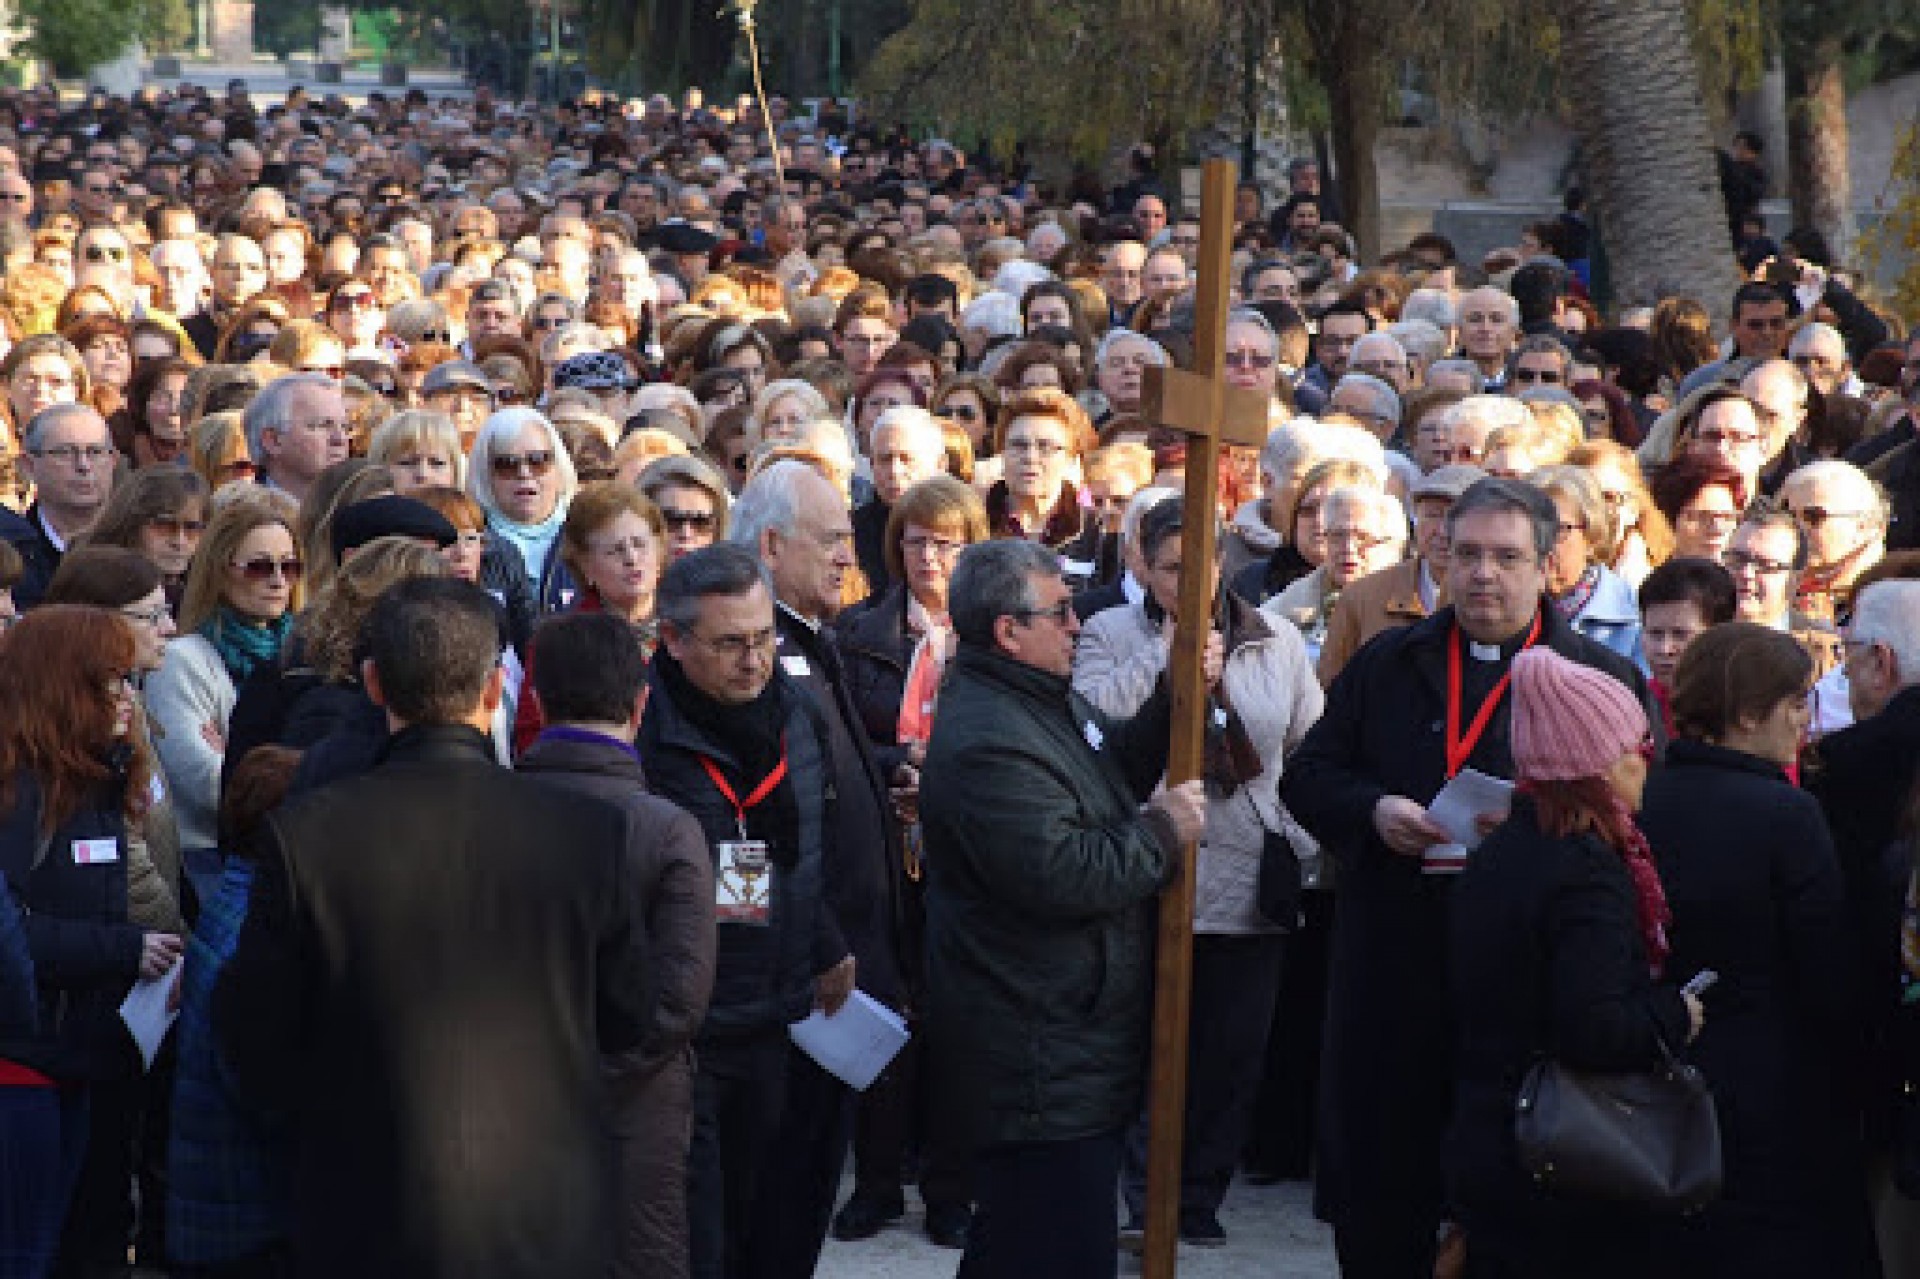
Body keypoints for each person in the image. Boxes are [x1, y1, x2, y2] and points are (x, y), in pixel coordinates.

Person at [212, 576, 654, 1278]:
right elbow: (630, 1017)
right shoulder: (587, 832)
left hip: (368, 1207)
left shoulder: (308, 837)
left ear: (373, 685)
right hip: (544, 1210)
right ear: (494, 690)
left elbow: (255, 1034)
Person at [1281, 477, 1653, 1277]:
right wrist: (1373, 809)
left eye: (1507, 557)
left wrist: (1536, 827)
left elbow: (1631, 822)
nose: (1483, 573)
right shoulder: (1389, 662)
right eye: (1467, 553)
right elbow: (1307, 775)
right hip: (1395, 962)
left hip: (1519, 996)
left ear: (1548, 564)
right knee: (1384, 1204)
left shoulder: (1595, 677)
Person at [920, 537, 1205, 1279]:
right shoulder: (990, 739)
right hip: (1036, 1052)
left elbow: (1108, 773)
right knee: (1047, 1245)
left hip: (1070, 1037)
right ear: (1008, 631)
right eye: (1060, 612)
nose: (1077, 624)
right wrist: (1163, 833)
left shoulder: (1039, 700)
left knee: (1034, 1245)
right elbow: (1063, 872)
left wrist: (1172, 701)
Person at [1073, 496, 1323, 1247]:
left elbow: (1308, 747)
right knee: (1146, 1045)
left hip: (1246, 871)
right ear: (1143, 566)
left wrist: (1293, 836)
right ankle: (1142, 1198)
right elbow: (1092, 723)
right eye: (1168, 567)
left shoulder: (1275, 637)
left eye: (1198, 566)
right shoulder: (1106, 632)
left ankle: (1199, 1196)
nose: (1184, 581)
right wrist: (1169, 657)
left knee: (1229, 1053)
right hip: (1147, 867)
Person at [636, 542, 851, 1279]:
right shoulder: (646, 730)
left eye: (764, 638)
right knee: (704, 1238)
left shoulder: (795, 711)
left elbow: (810, 843)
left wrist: (824, 939)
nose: (754, 661)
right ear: (673, 639)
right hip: (690, 1032)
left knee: (772, 1222)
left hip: (779, 1014)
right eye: (730, 644)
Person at [1447, 646, 1698, 1277]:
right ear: (1597, 767)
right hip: (1558, 1156)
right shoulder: (1587, 870)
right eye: (1636, 749)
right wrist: (1676, 1014)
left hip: (1491, 1135)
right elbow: (1595, 1028)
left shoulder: (1502, 850)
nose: (1647, 761)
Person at [1639, 623, 1877, 1274]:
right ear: (1748, 713)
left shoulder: (1644, 796)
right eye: (1795, 701)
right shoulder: (1784, 813)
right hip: (1777, 1089)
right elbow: (1825, 964)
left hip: (1662, 1072)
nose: (1805, 719)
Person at [730, 460, 909, 1268]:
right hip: (799, 986)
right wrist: (814, 942)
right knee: (776, 1202)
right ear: (772, 545)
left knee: (803, 1193)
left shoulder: (809, 639)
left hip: (838, 979)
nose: (848, 555)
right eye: (830, 538)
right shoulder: (757, 657)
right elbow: (746, 827)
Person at [515, 611, 717, 1279]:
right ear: (640, 704)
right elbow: (680, 1000)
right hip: (639, 1108)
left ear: (537, 699)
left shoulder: (490, 808)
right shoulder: (667, 829)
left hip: (512, 1098)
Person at [0, 606, 182, 1279]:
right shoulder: (18, 792)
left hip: (81, 1057)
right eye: (109, 682)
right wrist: (122, 949)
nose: (126, 698)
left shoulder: (94, 780)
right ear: (62, 686)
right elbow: (10, 927)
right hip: (23, 1067)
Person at [830, 473, 988, 1247]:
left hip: (965, 847)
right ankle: (879, 1183)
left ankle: (951, 1189)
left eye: (946, 543)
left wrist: (942, 776)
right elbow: (842, 738)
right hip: (880, 843)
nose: (929, 557)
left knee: (957, 1016)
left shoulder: (994, 634)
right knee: (881, 1004)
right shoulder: (858, 631)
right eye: (916, 541)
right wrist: (900, 764)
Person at [146, 491, 303, 902]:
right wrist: (286, 766)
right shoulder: (183, 660)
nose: (278, 580)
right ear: (220, 570)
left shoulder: (305, 656)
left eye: (290, 567)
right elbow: (209, 787)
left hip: (292, 854)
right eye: (259, 567)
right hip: (209, 860)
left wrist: (242, 757)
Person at [1319, 464, 1482, 685]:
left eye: (1455, 517)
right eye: (1432, 516)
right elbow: (1330, 688)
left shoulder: (1502, 599)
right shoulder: (1362, 597)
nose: (1442, 531)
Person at [0, 402, 120, 609]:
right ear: (28, 466)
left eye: (95, 452)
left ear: (113, 461)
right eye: (64, 452)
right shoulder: (10, 549)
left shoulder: (137, 542)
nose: (83, 465)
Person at [1637, 556, 1738, 734]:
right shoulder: (1635, 707)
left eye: (1680, 634)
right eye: (1655, 633)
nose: (1665, 649)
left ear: (1719, 635)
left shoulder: (1747, 714)